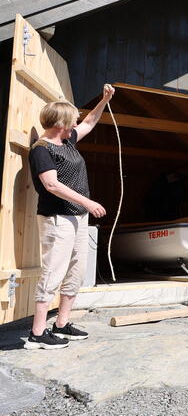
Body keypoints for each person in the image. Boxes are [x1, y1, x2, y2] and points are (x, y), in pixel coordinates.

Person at [26, 86, 114, 349]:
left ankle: (62, 324)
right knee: (53, 273)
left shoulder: (67, 141)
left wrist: (105, 100)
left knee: (76, 272)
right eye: (71, 119)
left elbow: (89, 121)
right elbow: (51, 185)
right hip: (58, 218)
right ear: (60, 123)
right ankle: (37, 333)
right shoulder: (42, 149)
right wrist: (87, 201)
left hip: (78, 217)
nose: (76, 122)